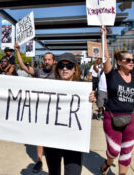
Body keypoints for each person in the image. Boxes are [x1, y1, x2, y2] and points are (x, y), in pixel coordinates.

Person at [44, 52, 94, 175]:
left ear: (75, 69)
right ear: (57, 69)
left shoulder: (83, 90)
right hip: (52, 141)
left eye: (69, 66)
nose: (65, 69)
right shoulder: (49, 87)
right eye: (61, 65)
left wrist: (90, 102)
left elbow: (87, 118)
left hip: (74, 142)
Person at [15, 42, 55, 173]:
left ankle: (53, 161)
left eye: (49, 59)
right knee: (39, 135)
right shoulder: (39, 71)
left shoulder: (59, 73)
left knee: (52, 136)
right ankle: (39, 160)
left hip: (55, 110)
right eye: (46, 59)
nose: (47, 61)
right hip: (41, 109)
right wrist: (17, 51)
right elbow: (23, 67)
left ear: (54, 61)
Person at [100, 27, 134, 175]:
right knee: (114, 150)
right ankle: (108, 162)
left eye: (133, 60)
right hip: (112, 117)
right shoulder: (111, 74)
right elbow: (106, 58)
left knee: (127, 152)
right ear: (119, 62)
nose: (131, 62)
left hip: (130, 118)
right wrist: (104, 37)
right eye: (128, 60)